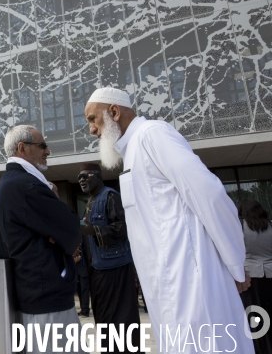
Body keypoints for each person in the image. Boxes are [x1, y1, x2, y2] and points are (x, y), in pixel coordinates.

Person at [84, 87, 253, 353]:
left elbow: (209, 194)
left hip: (192, 281)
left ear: (114, 112)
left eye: (93, 119)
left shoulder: (153, 134)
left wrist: (235, 262)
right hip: (165, 286)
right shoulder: (132, 150)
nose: (92, 130)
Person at [0, 125, 84, 354]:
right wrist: (56, 220)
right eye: (42, 145)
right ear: (22, 148)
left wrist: (55, 234)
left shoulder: (8, 184)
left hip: (34, 296)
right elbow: (72, 230)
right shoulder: (28, 186)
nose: (48, 151)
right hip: (47, 301)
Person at [78, 162, 141, 352]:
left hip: (115, 268)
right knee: (104, 318)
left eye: (86, 176)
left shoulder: (110, 196)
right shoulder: (91, 200)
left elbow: (122, 227)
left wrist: (92, 230)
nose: (81, 180)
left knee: (120, 318)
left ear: (98, 176)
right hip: (98, 268)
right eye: (79, 177)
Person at [238, 199, 272, 353]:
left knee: (255, 319)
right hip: (270, 275)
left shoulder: (240, 227)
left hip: (250, 279)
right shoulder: (270, 225)